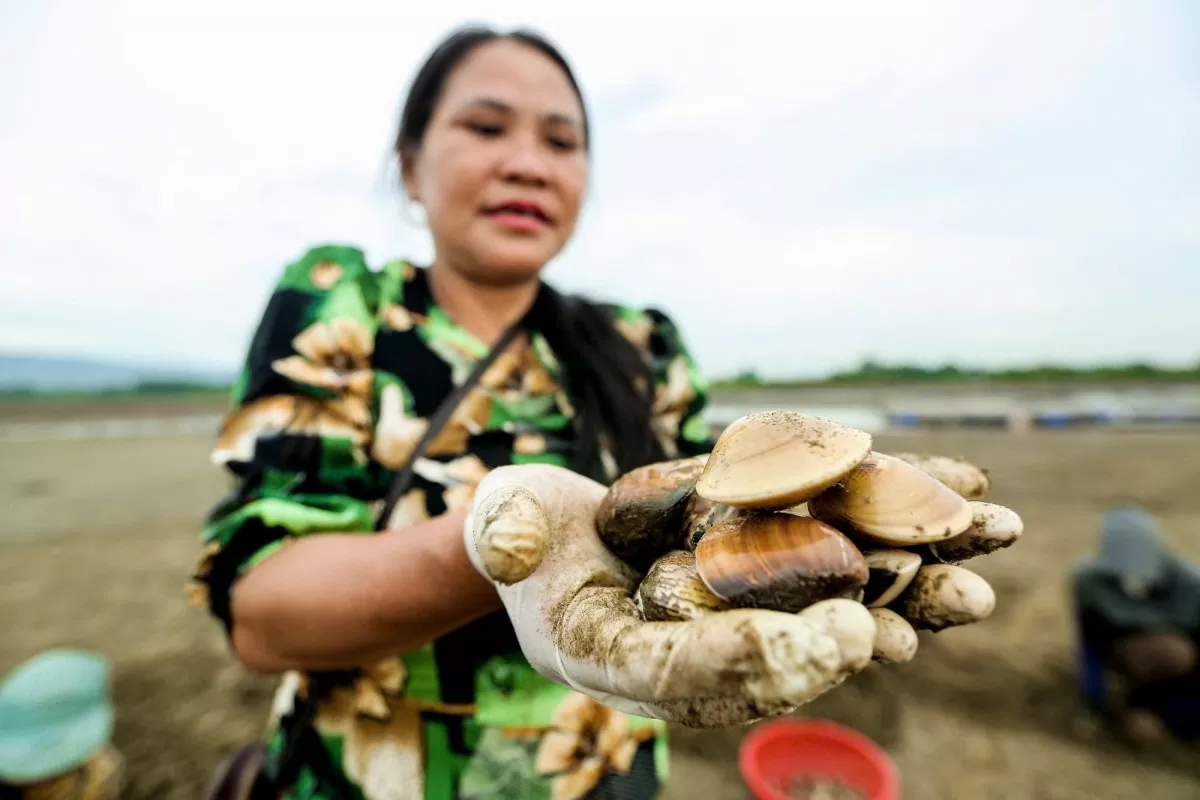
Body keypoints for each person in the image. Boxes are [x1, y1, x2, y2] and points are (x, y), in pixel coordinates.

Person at [186, 23, 1000, 800]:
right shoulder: (343, 309)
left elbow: (712, 537)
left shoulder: (641, 347)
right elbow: (261, 620)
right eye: (486, 126)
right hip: (368, 774)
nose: (528, 165)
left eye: (561, 141)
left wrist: (842, 526)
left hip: (603, 769)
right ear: (409, 165)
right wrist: (499, 547)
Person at [1072, 505, 1200, 746]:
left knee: (1170, 653)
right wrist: (1094, 702)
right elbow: (1091, 647)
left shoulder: (1191, 586)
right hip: (1133, 679)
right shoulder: (1093, 585)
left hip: (1187, 683)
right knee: (1141, 732)